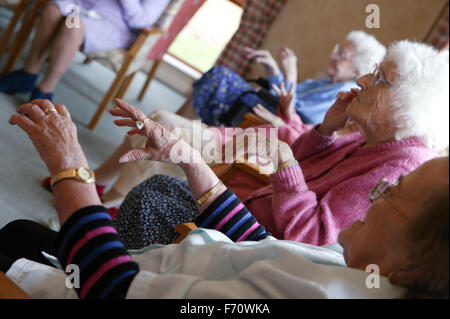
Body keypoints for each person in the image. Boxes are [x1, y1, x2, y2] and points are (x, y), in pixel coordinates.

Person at [2, 99, 448, 299]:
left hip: (112, 282)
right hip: (166, 257)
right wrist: (191, 160)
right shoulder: (359, 268)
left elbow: (114, 290)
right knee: (25, 231)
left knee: (15, 240)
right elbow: (262, 243)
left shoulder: (316, 293)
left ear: (407, 264)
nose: (378, 195)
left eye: (391, 195)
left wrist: (70, 169)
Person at [108, 40, 449, 249]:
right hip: (252, 211)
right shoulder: (373, 138)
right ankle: (104, 265)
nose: (361, 80)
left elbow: (311, 238)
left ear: (409, 105)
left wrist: (285, 163)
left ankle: (115, 279)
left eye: (378, 78)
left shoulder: (400, 166)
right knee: (160, 185)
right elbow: (302, 161)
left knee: (148, 202)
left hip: (260, 243)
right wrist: (327, 128)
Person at [175, 30, 387, 126]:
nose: (333, 56)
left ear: (356, 70)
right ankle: (177, 128)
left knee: (219, 78)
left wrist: (290, 74)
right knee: (218, 77)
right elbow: (282, 93)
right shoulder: (327, 82)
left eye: (342, 55)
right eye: (337, 50)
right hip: (267, 107)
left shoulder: (343, 92)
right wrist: (272, 69)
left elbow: (296, 116)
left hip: (272, 122)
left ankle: (176, 129)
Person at [0, 0, 171, 101]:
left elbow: (142, 21)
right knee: (52, 10)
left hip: (116, 25)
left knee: (72, 26)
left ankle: (45, 90)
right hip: (84, 5)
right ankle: (27, 75)